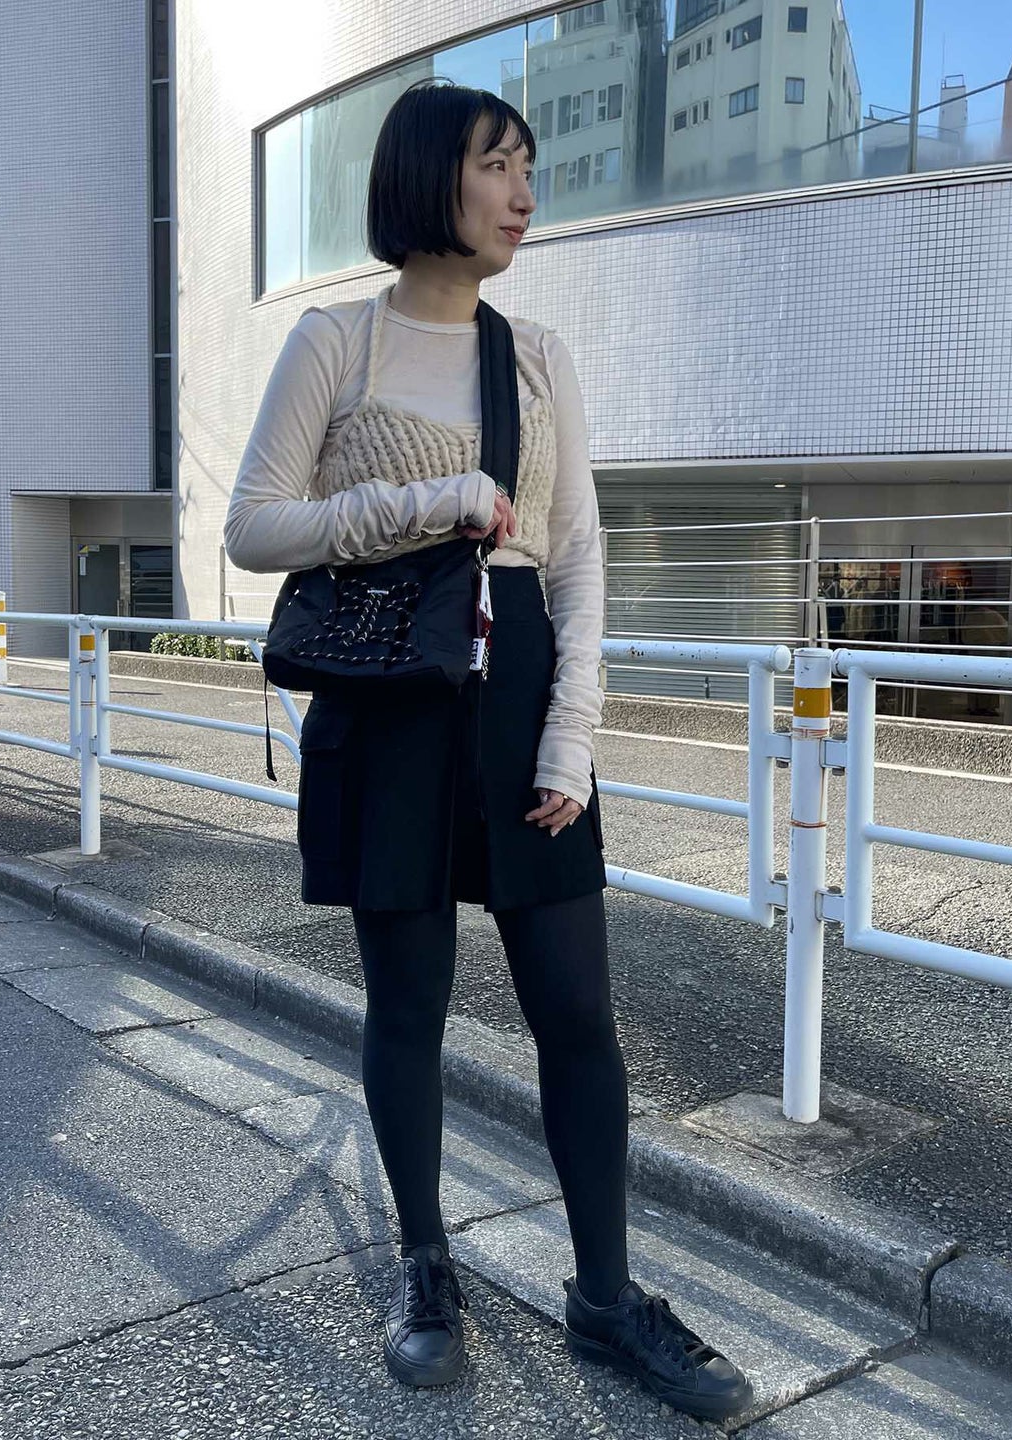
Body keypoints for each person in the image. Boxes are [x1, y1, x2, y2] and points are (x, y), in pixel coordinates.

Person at [224, 79, 753, 1423]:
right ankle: (426, 1267)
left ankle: (604, 1295)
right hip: (390, 694)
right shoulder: (336, 342)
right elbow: (255, 526)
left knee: (577, 1014)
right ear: (430, 179)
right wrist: (428, 502)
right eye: (498, 164)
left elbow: (576, 562)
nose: (525, 193)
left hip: (517, 691)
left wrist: (572, 738)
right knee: (406, 1007)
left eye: (529, 167)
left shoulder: (538, 357)